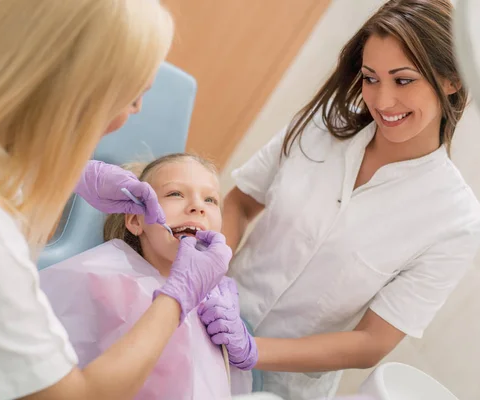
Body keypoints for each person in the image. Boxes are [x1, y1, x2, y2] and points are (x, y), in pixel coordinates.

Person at [0, 1, 231, 399]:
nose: (134, 113)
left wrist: (70, 173)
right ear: (81, 96)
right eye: (134, 98)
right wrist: (178, 298)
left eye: (210, 199)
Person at [197, 1, 480, 399]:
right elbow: (241, 203)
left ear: (452, 80)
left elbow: (371, 341)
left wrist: (253, 350)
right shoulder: (323, 123)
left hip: (281, 387)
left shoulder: (455, 220)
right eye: (370, 78)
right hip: (205, 324)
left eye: (403, 80)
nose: (382, 101)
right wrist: (205, 277)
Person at [40, 153, 240, 400]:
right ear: (136, 220)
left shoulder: (220, 299)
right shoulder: (110, 285)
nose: (198, 206)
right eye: (175, 194)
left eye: (210, 199)